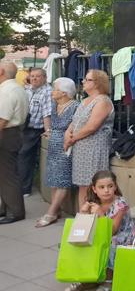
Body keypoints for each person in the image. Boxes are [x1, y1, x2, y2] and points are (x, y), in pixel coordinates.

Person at [65, 170, 135, 291]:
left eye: (110, 186)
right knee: (82, 240)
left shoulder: (120, 204)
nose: (106, 190)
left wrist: (101, 214)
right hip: (101, 234)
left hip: (121, 236)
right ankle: (87, 278)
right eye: (101, 187)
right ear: (94, 189)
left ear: (115, 186)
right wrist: (83, 212)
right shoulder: (93, 201)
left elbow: (113, 230)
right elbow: (84, 225)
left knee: (110, 243)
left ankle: (108, 281)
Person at [65, 69, 115, 206]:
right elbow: (75, 121)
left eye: (87, 79)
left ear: (98, 83)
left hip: (94, 149)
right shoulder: (85, 100)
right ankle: (83, 218)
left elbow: (92, 126)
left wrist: (72, 138)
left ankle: (93, 219)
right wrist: (67, 134)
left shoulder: (103, 101)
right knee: (82, 185)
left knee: (93, 185)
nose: (83, 81)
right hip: (81, 149)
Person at [36, 77, 79, 227]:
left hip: (66, 146)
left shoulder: (75, 106)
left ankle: (51, 211)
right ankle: (56, 210)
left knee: (62, 179)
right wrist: (49, 131)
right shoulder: (55, 105)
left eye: (55, 89)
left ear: (64, 92)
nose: (52, 92)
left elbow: (76, 126)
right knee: (54, 178)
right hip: (54, 144)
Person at [0, 62, 29, 224]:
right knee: (5, 174)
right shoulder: (16, 88)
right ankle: (6, 207)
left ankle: (15, 212)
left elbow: (1, 119)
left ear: (1, 71)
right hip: (14, 132)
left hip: (7, 134)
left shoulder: (6, 91)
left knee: (7, 175)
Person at [18, 67, 52, 196]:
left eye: (37, 76)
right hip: (24, 128)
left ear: (44, 78)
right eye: (32, 76)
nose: (34, 78)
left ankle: (24, 189)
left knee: (24, 157)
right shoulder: (28, 90)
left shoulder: (47, 92)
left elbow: (47, 114)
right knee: (22, 157)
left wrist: (48, 130)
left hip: (36, 130)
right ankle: (22, 185)